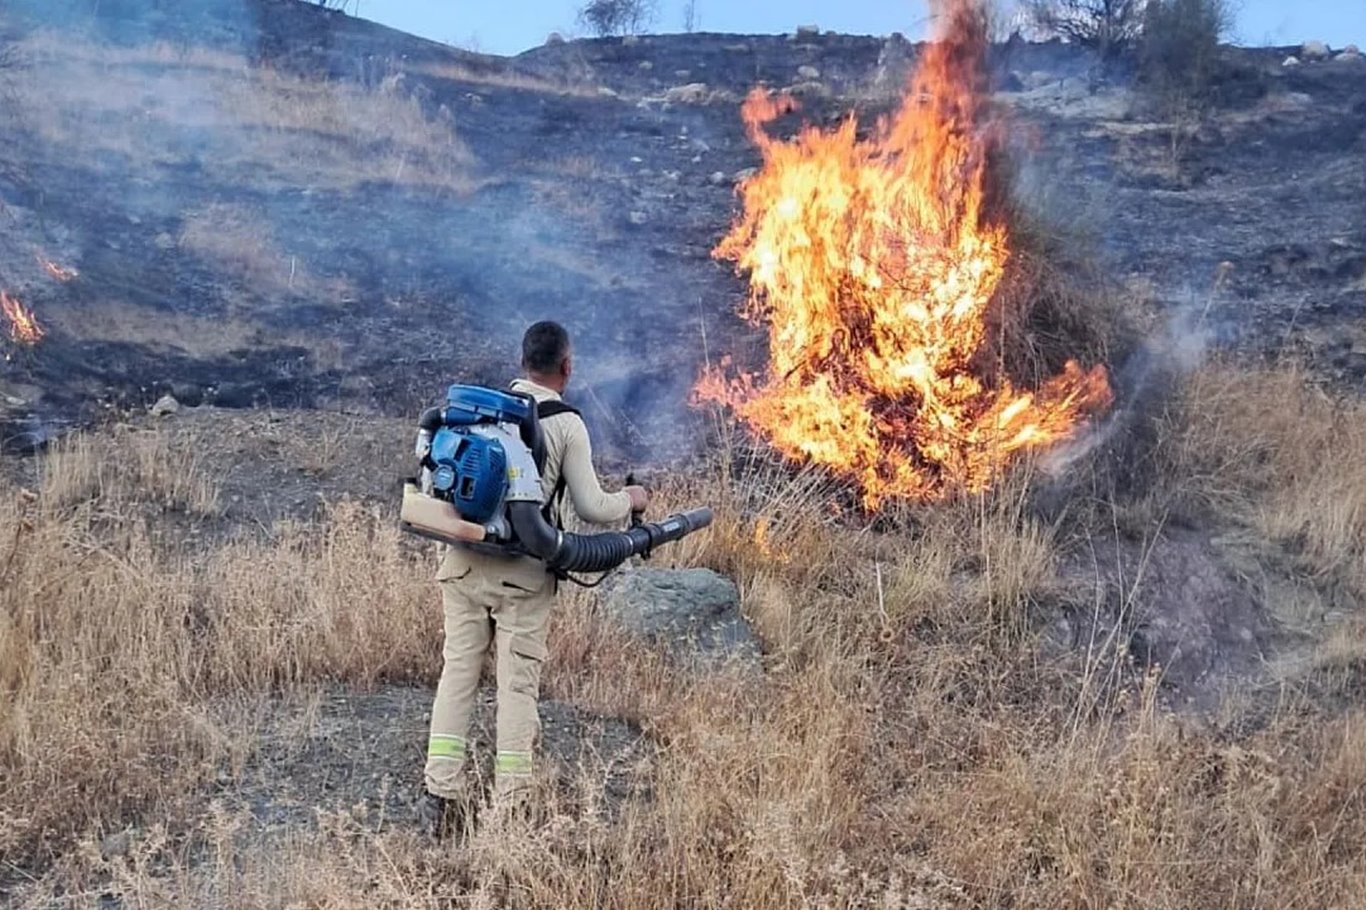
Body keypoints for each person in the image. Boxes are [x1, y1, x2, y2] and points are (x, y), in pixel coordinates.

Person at [419, 320, 649, 837]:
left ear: (522, 361)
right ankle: (511, 805)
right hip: (522, 576)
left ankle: (440, 793)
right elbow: (592, 506)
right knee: (516, 687)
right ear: (566, 367)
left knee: (457, 674)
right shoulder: (566, 424)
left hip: (461, 562)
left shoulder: (482, 410)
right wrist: (631, 501)